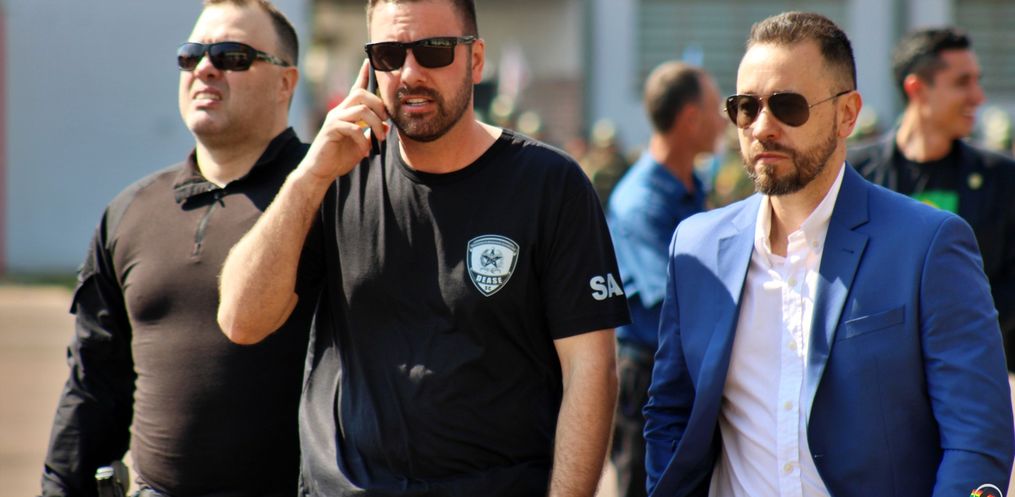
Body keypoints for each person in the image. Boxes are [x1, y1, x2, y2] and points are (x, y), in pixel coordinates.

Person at [216, 0, 629, 496]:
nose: (410, 73)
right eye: (389, 54)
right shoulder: (335, 175)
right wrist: (308, 177)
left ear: (476, 59)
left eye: (433, 51)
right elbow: (242, 321)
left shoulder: (550, 184)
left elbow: (591, 370)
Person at [644, 11, 1014, 497]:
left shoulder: (928, 244)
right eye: (745, 107)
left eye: (788, 105)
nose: (762, 127)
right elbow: (670, 414)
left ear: (847, 114)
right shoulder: (696, 248)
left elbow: (977, 437)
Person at [40, 1, 313, 496]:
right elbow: (94, 385)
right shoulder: (131, 211)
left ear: (285, 83)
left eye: (231, 55)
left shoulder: (334, 194)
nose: (205, 68)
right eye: (191, 55)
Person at [849, 28, 1015, 369]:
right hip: (879, 371)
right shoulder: (854, 176)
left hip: (973, 367)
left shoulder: (1002, 177)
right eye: (962, 82)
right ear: (917, 89)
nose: (978, 97)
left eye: (977, 81)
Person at [605, 60, 725, 497]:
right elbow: (673, 304)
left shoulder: (691, 185)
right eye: (715, 108)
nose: (724, 120)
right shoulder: (640, 203)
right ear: (690, 118)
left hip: (691, 366)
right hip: (651, 378)